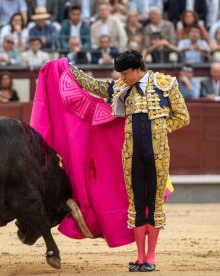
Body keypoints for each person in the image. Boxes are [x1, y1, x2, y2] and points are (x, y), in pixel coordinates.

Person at [69, 49, 190, 272]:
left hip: (158, 156)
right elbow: (96, 86)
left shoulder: (166, 84)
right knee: (136, 205)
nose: (122, 78)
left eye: (125, 73)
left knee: (154, 205)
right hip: (131, 155)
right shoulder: (123, 87)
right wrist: (70, 71)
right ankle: (140, 256)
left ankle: (151, 256)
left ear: (137, 69)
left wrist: (162, 128)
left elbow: (183, 117)